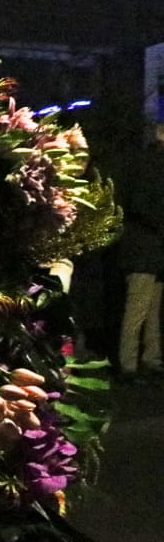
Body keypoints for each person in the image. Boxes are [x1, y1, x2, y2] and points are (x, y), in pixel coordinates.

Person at [116, 122, 164, 380]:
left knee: (149, 309)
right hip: (145, 248)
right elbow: (142, 204)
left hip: (148, 249)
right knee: (139, 309)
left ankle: (147, 358)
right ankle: (130, 364)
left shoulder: (145, 162)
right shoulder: (149, 165)